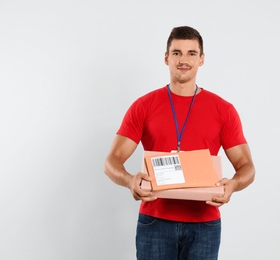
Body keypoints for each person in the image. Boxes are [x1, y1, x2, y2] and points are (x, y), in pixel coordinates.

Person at [104, 26, 255, 260]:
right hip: (155, 222)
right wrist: (129, 180)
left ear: (202, 59)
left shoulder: (223, 110)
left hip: (204, 225)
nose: (183, 60)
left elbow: (246, 167)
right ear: (166, 58)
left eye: (191, 53)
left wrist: (233, 185)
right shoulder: (144, 106)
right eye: (176, 53)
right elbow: (111, 162)